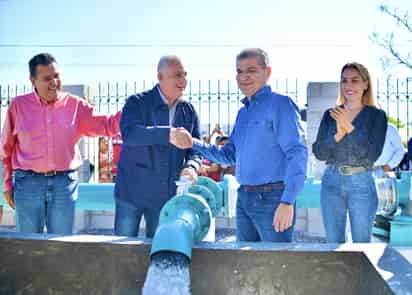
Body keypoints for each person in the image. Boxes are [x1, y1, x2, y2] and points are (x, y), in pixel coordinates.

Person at [170, 48, 308, 242]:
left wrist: (287, 201)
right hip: (244, 199)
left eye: (251, 70)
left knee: (276, 267)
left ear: (267, 72)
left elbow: (297, 153)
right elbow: (228, 155)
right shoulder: (243, 113)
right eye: (239, 71)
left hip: (273, 200)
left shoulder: (281, 105)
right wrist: (192, 142)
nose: (244, 77)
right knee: (245, 267)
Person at [0, 53, 121, 235]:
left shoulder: (75, 106)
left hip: (63, 185)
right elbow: (6, 149)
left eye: (56, 76)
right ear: (33, 80)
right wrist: (7, 185)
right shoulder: (18, 106)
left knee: (61, 246)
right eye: (47, 78)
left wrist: (135, 111)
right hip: (27, 185)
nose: (54, 82)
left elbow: (106, 124)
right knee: (28, 247)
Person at [114, 55, 201, 238]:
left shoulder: (189, 111)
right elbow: (130, 134)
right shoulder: (136, 103)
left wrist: (192, 167)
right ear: (160, 77)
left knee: (158, 251)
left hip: (165, 198)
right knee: (120, 251)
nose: (183, 81)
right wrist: (168, 134)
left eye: (184, 75)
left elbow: (196, 149)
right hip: (131, 194)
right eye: (177, 75)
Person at [312, 62, 387, 243]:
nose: (349, 86)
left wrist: (349, 127)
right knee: (333, 243)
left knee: (362, 244)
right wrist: (338, 135)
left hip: (362, 183)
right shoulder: (330, 115)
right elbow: (319, 153)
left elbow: (370, 155)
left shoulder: (376, 116)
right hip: (331, 182)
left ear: (365, 84)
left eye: (355, 80)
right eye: (344, 81)